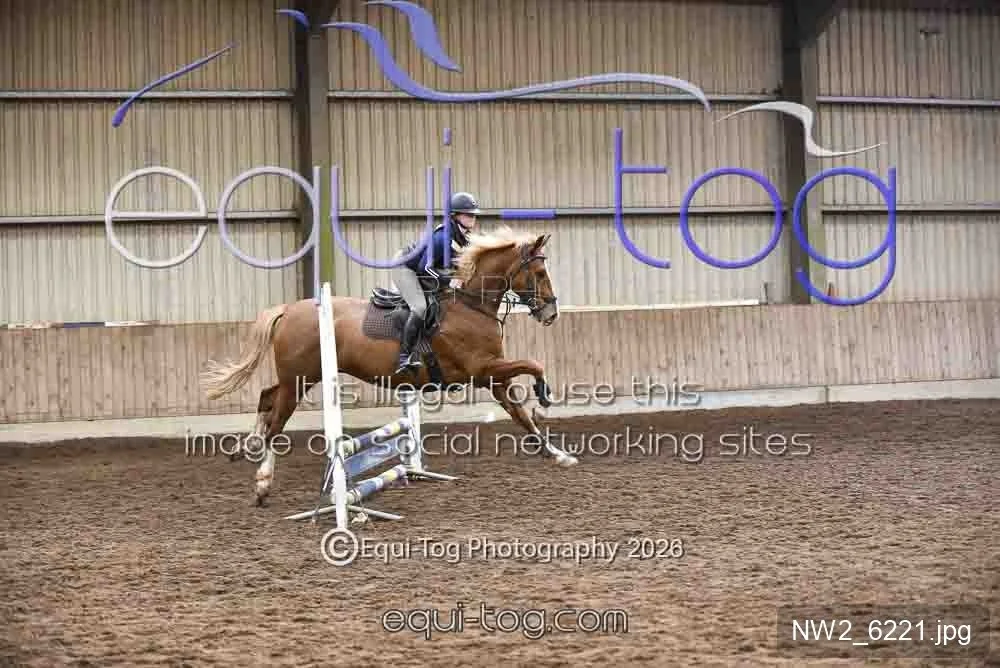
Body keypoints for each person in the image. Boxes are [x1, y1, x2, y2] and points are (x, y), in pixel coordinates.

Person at [391, 191, 481, 374]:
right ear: (455, 216)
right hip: (406, 267)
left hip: (424, 269)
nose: (472, 218)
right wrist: (449, 280)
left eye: (473, 214)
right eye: (468, 214)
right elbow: (424, 267)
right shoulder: (443, 238)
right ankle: (404, 357)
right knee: (420, 307)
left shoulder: (464, 237)